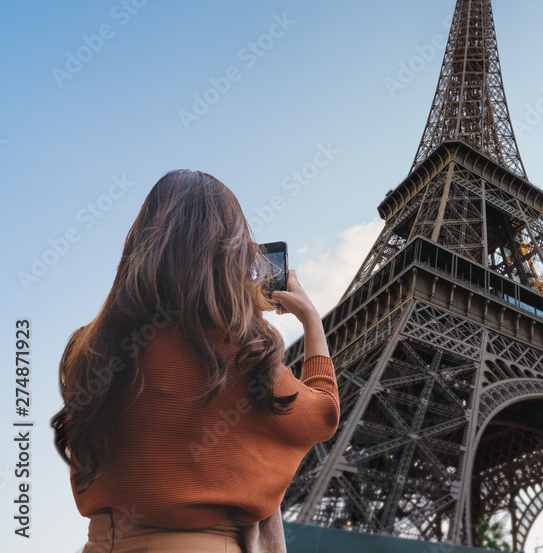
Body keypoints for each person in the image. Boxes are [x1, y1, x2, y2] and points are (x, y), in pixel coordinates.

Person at [50, 169, 340, 552]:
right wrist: (311, 321)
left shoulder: (86, 350)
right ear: (230, 254)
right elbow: (323, 415)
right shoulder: (241, 353)